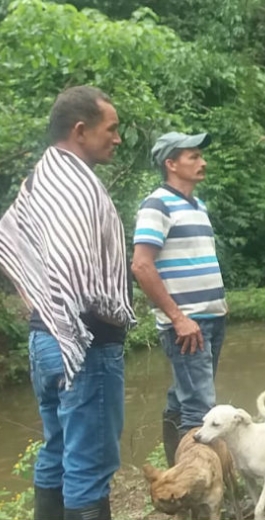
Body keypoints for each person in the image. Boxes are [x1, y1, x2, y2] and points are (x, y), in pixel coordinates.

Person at [0, 86, 135, 520]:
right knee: (89, 468)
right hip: (84, 346)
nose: (117, 138)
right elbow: (75, 268)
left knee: (57, 451)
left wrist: (38, 300)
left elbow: (12, 238)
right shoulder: (77, 186)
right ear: (81, 130)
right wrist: (107, 314)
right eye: (111, 129)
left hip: (45, 339)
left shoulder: (38, 180)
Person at [131, 132, 228, 467]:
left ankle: (176, 469)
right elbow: (142, 265)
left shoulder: (198, 206)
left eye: (201, 156)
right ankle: (198, 489)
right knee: (201, 408)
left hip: (212, 318)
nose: (202, 162)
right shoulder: (156, 204)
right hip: (187, 323)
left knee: (183, 396)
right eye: (193, 157)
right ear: (170, 164)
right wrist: (178, 318)